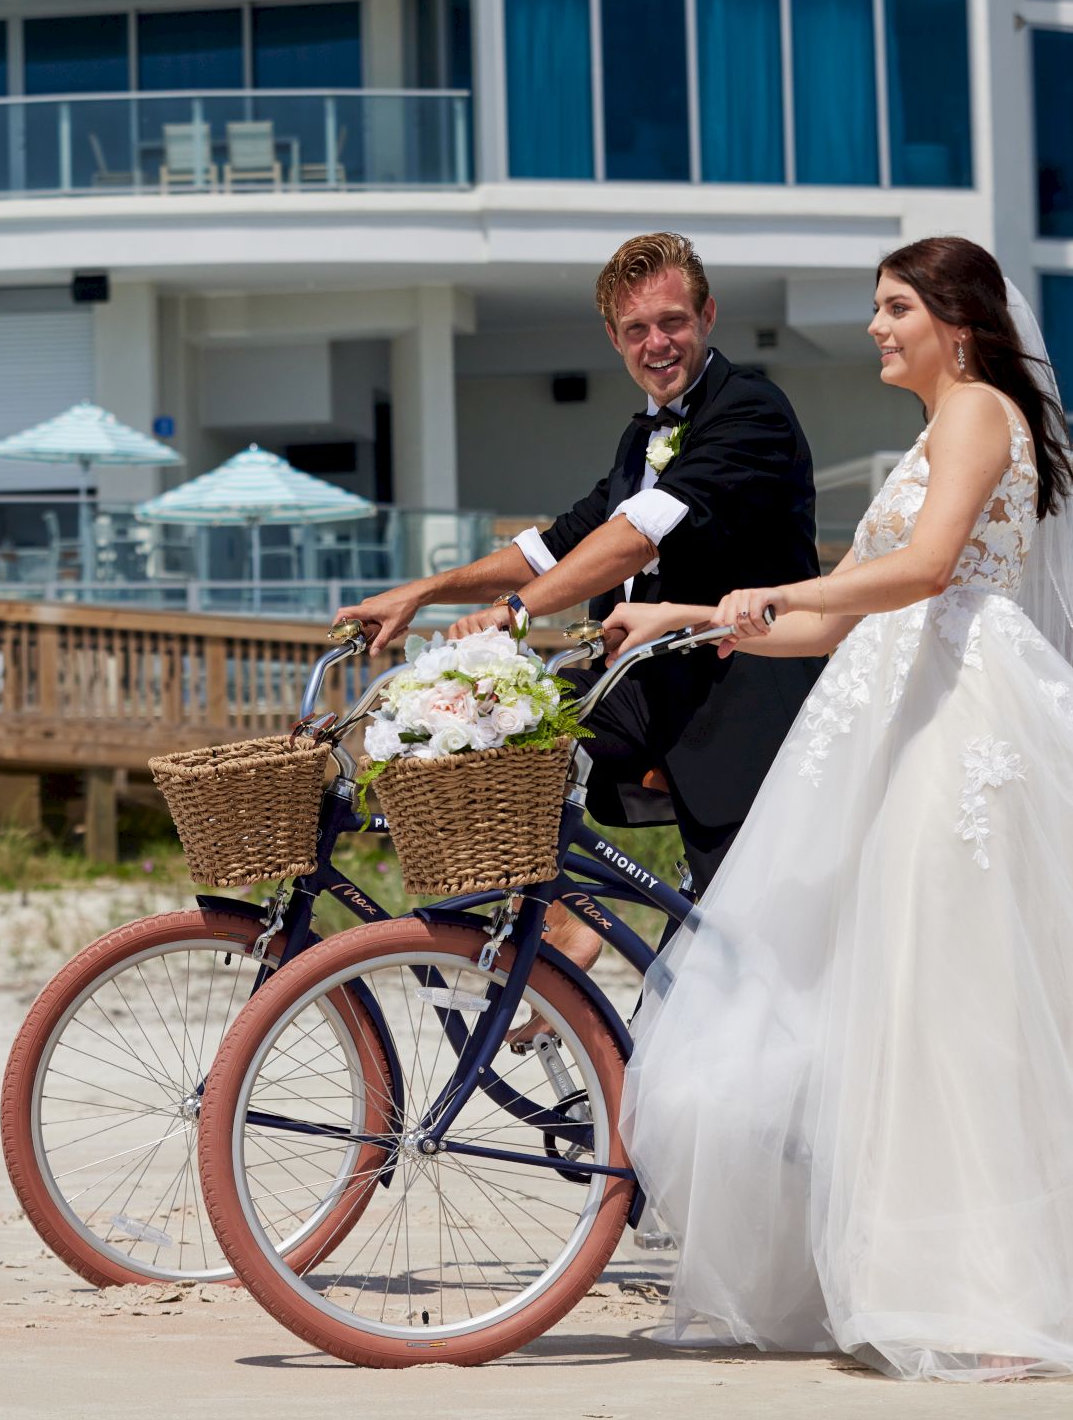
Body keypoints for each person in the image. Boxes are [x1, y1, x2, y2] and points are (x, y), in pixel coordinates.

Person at [611, 236, 1073, 1381]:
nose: (877, 326)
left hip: (956, 716)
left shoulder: (975, 409)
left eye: (895, 306)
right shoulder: (936, 425)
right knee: (878, 998)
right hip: (887, 706)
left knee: (947, 1000)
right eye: (877, 306)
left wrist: (782, 587)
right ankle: (885, 1267)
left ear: (955, 321)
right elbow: (833, 620)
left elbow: (921, 574)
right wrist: (689, 616)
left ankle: (986, 1292)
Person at [337, 232, 824, 964]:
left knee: (745, 949)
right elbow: (556, 543)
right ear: (614, 337)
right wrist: (423, 591)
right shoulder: (641, 438)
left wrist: (517, 612)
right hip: (648, 687)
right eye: (637, 329)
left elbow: (637, 537)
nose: (657, 343)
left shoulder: (750, 411)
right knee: (506, 728)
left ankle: (590, 932)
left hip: (741, 699)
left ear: (708, 315)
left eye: (673, 322)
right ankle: (562, 915)